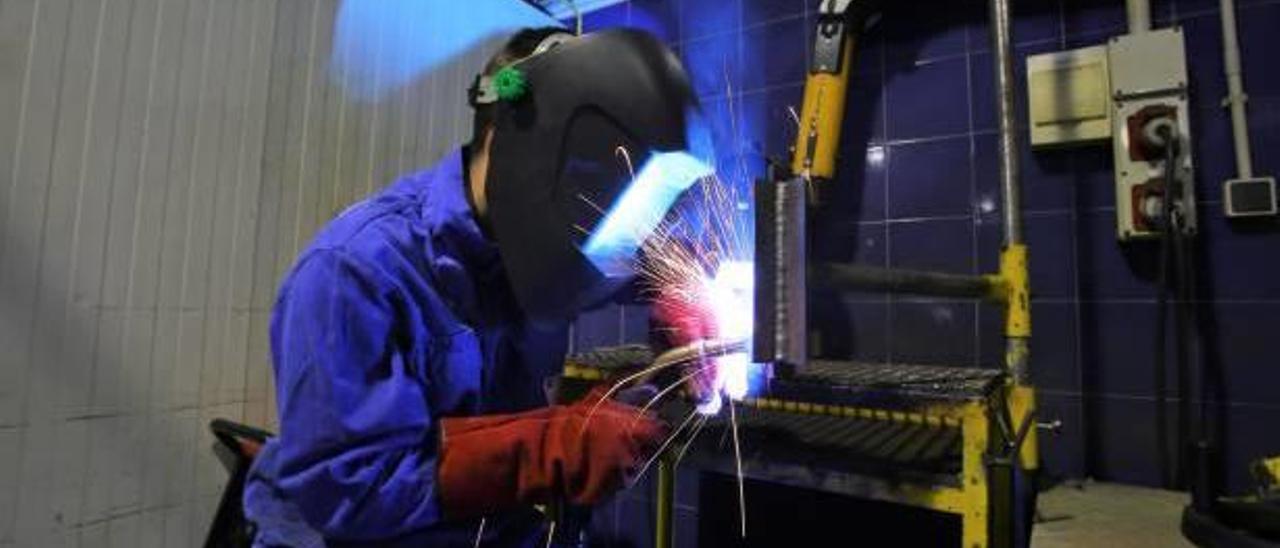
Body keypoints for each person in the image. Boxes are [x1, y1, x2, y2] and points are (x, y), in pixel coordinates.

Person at [242, 26, 710, 547]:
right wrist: (550, 448)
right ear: (513, 136)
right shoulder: (354, 273)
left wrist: (680, 288)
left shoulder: (536, 245)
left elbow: (627, 251)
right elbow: (349, 492)